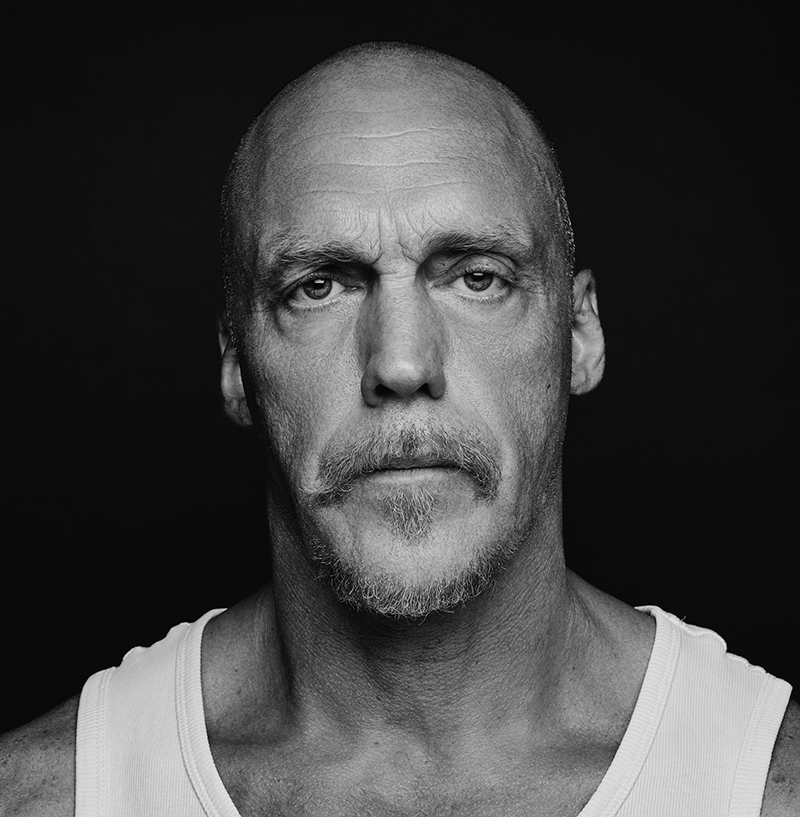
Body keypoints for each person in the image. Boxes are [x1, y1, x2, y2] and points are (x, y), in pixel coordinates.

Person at [1, 40, 796, 817]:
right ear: (236, 363)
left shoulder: (766, 787)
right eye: (320, 286)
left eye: (478, 277)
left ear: (580, 333)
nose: (402, 361)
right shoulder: (47, 796)